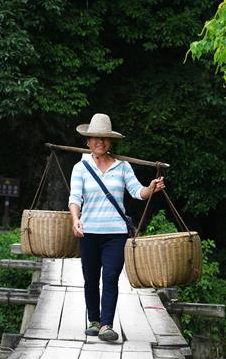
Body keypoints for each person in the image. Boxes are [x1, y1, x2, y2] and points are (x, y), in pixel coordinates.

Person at [68, 113, 165, 342]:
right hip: (89, 232)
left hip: (115, 233)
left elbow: (137, 193)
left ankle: (106, 325)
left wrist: (151, 188)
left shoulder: (123, 167)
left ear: (110, 142)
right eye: (95, 138)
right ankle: (93, 319)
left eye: (104, 138)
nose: (99, 142)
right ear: (88, 142)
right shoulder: (80, 168)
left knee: (110, 277)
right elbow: (74, 198)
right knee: (91, 278)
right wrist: (75, 220)